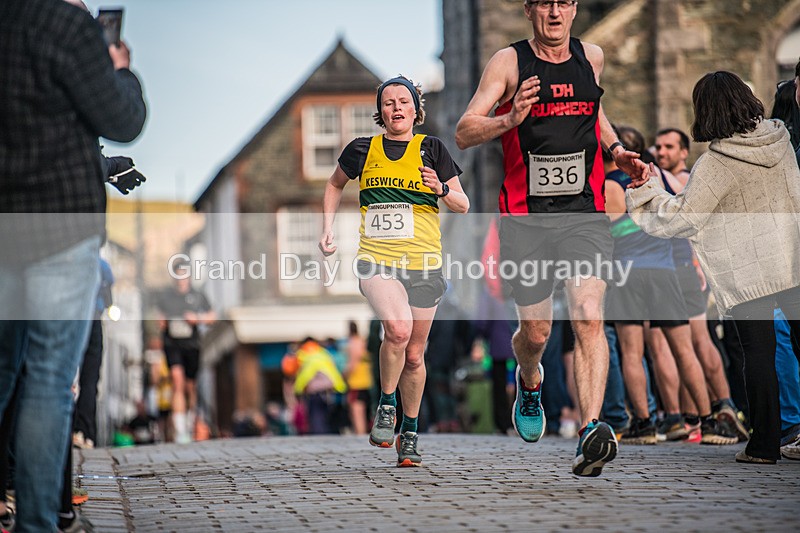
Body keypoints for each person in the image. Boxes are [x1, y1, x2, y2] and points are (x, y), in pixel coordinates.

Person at [455, 0, 646, 477]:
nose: (555, 13)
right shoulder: (509, 62)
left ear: (574, 8)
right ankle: (530, 377)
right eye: (545, 4)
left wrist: (616, 151)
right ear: (530, 10)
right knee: (536, 333)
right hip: (526, 219)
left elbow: (594, 113)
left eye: (563, 3)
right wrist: (508, 118)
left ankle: (590, 430)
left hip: (584, 213)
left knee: (587, 315)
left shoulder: (592, 57)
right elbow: (462, 132)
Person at [0, 0, 146, 529]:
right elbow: (121, 118)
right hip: (57, 226)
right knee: (47, 381)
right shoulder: (64, 26)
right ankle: (37, 521)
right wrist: (120, 68)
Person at [627, 71, 800, 464]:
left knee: (758, 355)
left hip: (749, 272)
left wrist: (645, 189)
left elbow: (680, 218)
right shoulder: (781, 138)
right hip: (794, 259)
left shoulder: (717, 163)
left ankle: (763, 446)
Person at [320, 75, 469, 467]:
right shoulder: (362, 150)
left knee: (416, 355)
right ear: (380, 111)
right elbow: (334, 185)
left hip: (424, 264)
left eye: (404, 101)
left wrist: (440, 188)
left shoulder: (431, 149)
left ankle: (411, 432)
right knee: (398, 330)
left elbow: (463, 204)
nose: (396, 108)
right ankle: (387, 405)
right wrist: (327, 229)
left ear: (416, 110)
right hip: (378, 261)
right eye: (389, 103)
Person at [604, 125, 736, 446]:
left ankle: (646, 424)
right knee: (683, 347)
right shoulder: (659, 175)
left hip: (626, 273)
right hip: (665, 270)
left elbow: (607, 231)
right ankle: (707, 420)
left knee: (633, 353)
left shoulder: (609, 183)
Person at [156, 265, 216, 444]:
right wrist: (164, 322)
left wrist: (196, 319)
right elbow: (159, 318)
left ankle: (190, 422)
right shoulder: (166, 297)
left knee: (191, 386)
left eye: (183, 275)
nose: (181, 279)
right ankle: (181, 430)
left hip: (192, 345)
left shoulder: (198, 296)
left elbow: (212, 316)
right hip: (172, 344)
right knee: (177, 380)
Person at [344, 321, 372, 435]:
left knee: (357, 411)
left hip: (356, 382)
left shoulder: (353, 343)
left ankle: (360, 434)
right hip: (367, 380)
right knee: (367, 411)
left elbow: (352, 365)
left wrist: (343, 375)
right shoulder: (363, 342)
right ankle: (365, 432)